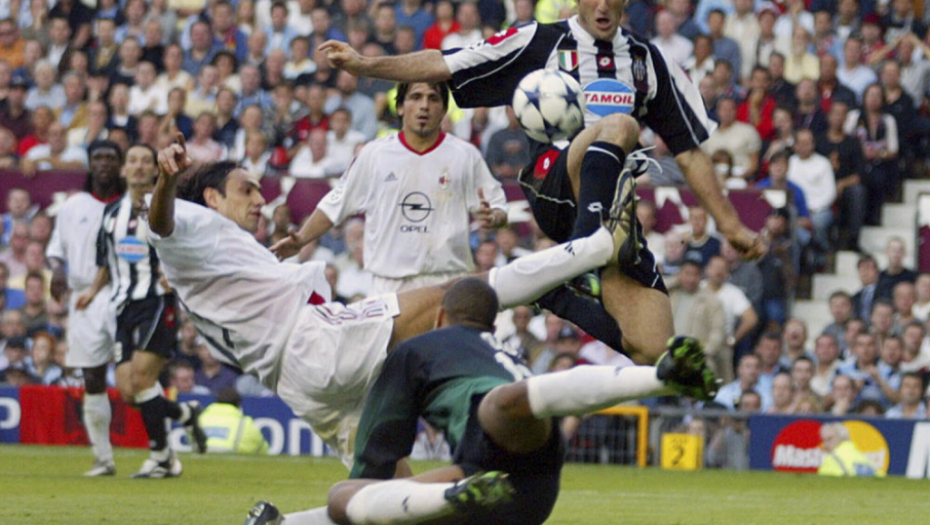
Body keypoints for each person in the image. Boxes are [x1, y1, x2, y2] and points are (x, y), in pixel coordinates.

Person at [149, 133, 654, 465]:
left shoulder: (216, 259)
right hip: (316, 342)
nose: (261, 200)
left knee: (384, 492)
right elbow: (161, 224)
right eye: (247, 190)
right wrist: (167, 182)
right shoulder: (192, 224)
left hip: (298, 386)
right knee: (461, 295)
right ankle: (598, 246)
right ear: (211, 198)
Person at [318, 0, 764, 366]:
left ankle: (558, 292)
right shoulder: (539, 40)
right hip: (554, 187)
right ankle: (582, 254)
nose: (602, 6)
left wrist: (731, 226)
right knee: (621, 126)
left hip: (613, 213)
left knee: (652, 347)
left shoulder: (648, 61)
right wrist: (365, 65)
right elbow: (443, 62)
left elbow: (689, 152)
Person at [246, 278, 717, 525]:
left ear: (440, 316)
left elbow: (377, 460)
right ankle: (661, 378)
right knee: (505, 404)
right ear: (491, 326)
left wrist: (371, 493)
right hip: (530, 489)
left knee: (345, 496)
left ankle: (664, 377)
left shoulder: (415, 350)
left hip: (495, 450)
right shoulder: (504, 351)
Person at [272, 82, 507, 294]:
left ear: (444, 109)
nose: (424, 106)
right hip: (388, 286)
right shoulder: (374, 154)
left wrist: (495, 217)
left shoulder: (466, 155)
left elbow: (498, 207)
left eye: (433, 99)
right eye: (415, 97)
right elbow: (334, 205)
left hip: (447, 283)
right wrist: (301, 240)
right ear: (400, 107)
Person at [75, 143, 206, 478]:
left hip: (157, 301)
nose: (137, 166)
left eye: (145, 161)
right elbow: (106, 261)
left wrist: (174, 273)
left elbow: (188, 247)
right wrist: (92, 291)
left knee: (142, 378)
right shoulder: (111, 214)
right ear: (124, 169)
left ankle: (162, 458)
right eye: (132, 160)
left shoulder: (167, 208)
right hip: (122, 305)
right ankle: (184, 414)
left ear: (155, 169)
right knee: (130, 392)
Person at [46, 140, 124, 476]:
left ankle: (162, 445)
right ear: (90, 164)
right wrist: (57, 271)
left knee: (134, 375)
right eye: (98, 158)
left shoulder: (130, 204)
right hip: (83, 296)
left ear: (119, 164)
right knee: (92, 375)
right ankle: (103, 457)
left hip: (124, 292)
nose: (104, 163)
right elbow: (56, 250)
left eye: (110, 158)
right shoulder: (72, 206)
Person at [199, 387, 270, 454]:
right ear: (239, 405)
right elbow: (263, 449)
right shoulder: (246, 423)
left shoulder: (200, 418)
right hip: (230, 461)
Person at [817, 422, 883, 477]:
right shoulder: (862, 457)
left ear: (841, 437)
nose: (825, 445)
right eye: (823, 440)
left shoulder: (831, 459)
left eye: (830, 439)